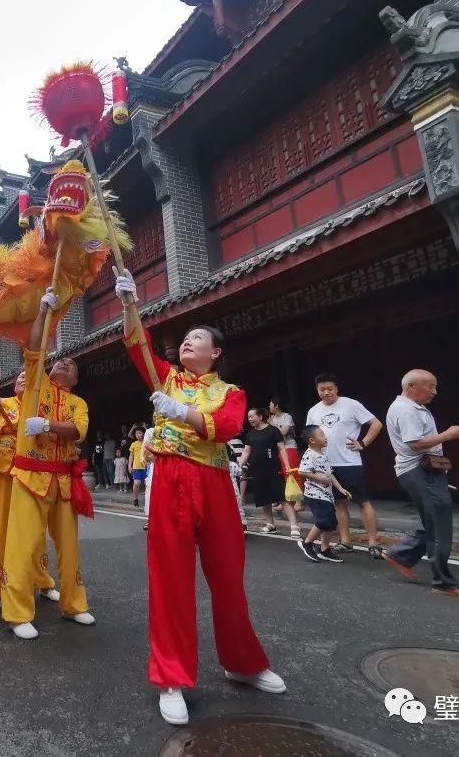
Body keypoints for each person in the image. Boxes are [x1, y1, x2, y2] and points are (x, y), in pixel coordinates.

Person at [115, 269, 284, 727]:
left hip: (212, 483)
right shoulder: (165, 376)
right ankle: (172, 677)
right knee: (170, 579)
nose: (187, 343)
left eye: (196, 338)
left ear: (216, 352)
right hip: (170, 477)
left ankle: (242, 663)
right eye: (184, 339)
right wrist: (130, 303)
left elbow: (228, 427)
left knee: (228, 575)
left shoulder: (231, 392)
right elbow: (138, 346)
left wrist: (183, 413)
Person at [1, 287, 94, 640]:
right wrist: (44, 312)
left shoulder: (80, 403)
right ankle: (17, 611)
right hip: (28, 474)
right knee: (22, 544)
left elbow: (77, 432)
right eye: (59, 360)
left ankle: (75, 604)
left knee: (69, 548)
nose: (63, 362)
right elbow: (36, 347)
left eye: (70, 364)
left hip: (64, 481)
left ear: (75, 379)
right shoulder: (35, 384)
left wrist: (49, 426)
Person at [383, 369, 459, 598]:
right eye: (430, 386)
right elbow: (415, 444)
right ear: (411, 387)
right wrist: (449, 434)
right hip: (419, 470)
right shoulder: (406, 410)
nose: (434, 392)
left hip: (422, 470)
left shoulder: (411, 408)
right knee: (439, 521)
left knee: (432, 517)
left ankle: (401, 554)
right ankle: (444, 582)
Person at [0, 370, 58, 612]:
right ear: (14, 384)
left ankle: (42, 581)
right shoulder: (4, 404)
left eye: (29, 376)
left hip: (29, 475)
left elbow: (50, 441)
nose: (24, 377)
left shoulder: (40, 408)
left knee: (32, 530)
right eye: (20, 376)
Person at [305, 373, 384, 558]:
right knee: (339, 504)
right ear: (317, 391)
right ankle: (345, 541)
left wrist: (363, 443)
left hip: (349, 462)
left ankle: (373, 542)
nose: (326, 392)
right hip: (326, 465)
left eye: (329, 389)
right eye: (322, 390)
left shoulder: (351, 404)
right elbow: (309, 437)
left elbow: (376, 424)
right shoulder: (313, 411)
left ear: (336, 389)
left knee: (363, 502)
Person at [296, 425, 353, 563]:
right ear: (312, 440)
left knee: (331, 522)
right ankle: (307, 543)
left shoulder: (323, 454)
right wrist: (319, 478)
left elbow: (330, 474)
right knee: (324, 521)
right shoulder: (310, 454)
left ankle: (325, 550)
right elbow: (302, 471)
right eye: (321, 435)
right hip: (314, 494)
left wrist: (339, 488)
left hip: (326, 494)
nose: (325, 437)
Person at [239, 407, 298, 538]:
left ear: (260, 416)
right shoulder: (251, 434)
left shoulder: (273, 430)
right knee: (263, 498)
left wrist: (287, 465)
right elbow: (246, 452)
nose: (249, 419)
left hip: (273, 468)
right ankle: (270, 524)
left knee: (282, 496)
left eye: (251, 416)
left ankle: (294, 525)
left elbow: (282, 449)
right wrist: (239, 466)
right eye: (248, 417)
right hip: (257, 470)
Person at [129, 426, 147, 508]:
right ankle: (135, 499)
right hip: (136, 467)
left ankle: (148, 501)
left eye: (140, 433)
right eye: (137, 433)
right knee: (137, 483)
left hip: (146, 466)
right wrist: (129, 466)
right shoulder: (133, 444)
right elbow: (131, 456)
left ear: (143, 434)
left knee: (148, 484)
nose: (138, 435)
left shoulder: (146, 443)